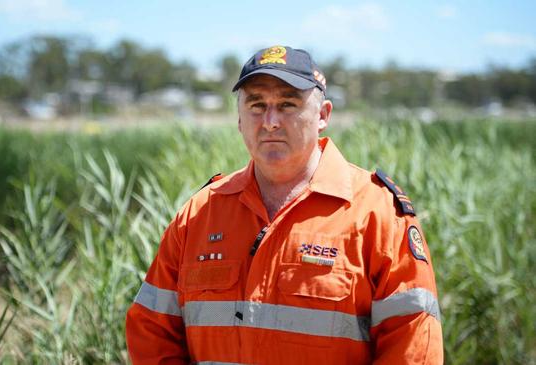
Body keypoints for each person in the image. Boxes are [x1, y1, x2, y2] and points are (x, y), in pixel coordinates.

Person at [126, 45, 443, 364]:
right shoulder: (199, 213)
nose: (270, 121)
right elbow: (152, 334)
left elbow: (414, 347)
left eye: (288, 104)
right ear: (239, 119)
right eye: (257, 104)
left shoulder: (377, 212)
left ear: (323, 116)